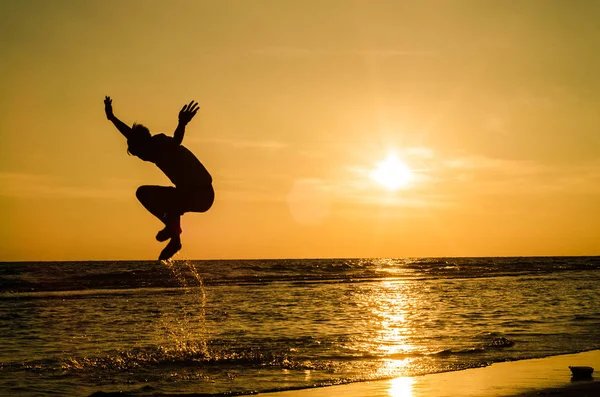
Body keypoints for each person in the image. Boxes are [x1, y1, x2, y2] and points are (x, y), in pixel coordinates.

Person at [104, 96, 214, 260]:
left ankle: (173, 231)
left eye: (136, 150)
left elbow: (176, 141)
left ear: (142, 144)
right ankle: (174, 238)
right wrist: (112, 118)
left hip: (201, 192)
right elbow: (131, 135)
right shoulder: (150, 150)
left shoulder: (159, 143)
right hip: (192, 194)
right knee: (160, 198)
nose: (140, 156)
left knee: (152, 196)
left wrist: (182, 123)